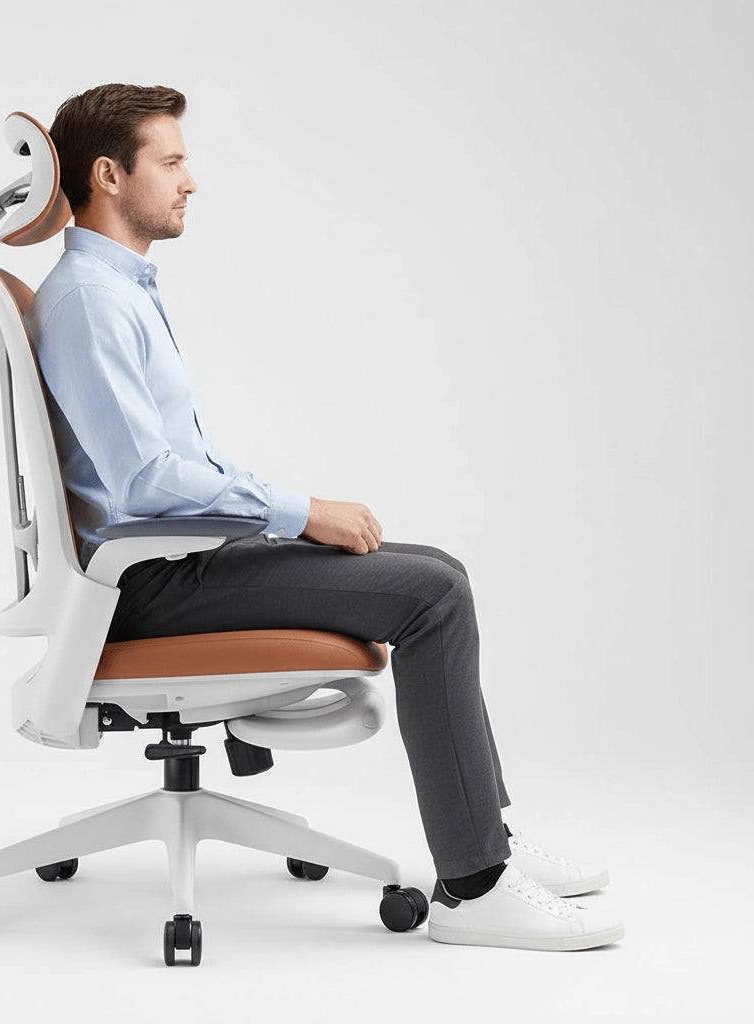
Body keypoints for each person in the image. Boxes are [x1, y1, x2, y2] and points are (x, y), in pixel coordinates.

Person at [31, 82, 624, 952]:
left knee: (440, 572)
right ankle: (474, 885)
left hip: (171, 565)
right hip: (148, 584)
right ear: (110, 175)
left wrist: (289, 514)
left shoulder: (116, 286)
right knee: (429, 595)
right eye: (173, 161)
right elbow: (147, 483)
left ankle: (484, 834)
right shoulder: (91, 298)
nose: (192, 180)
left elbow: (177, 464)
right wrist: (300, 514)